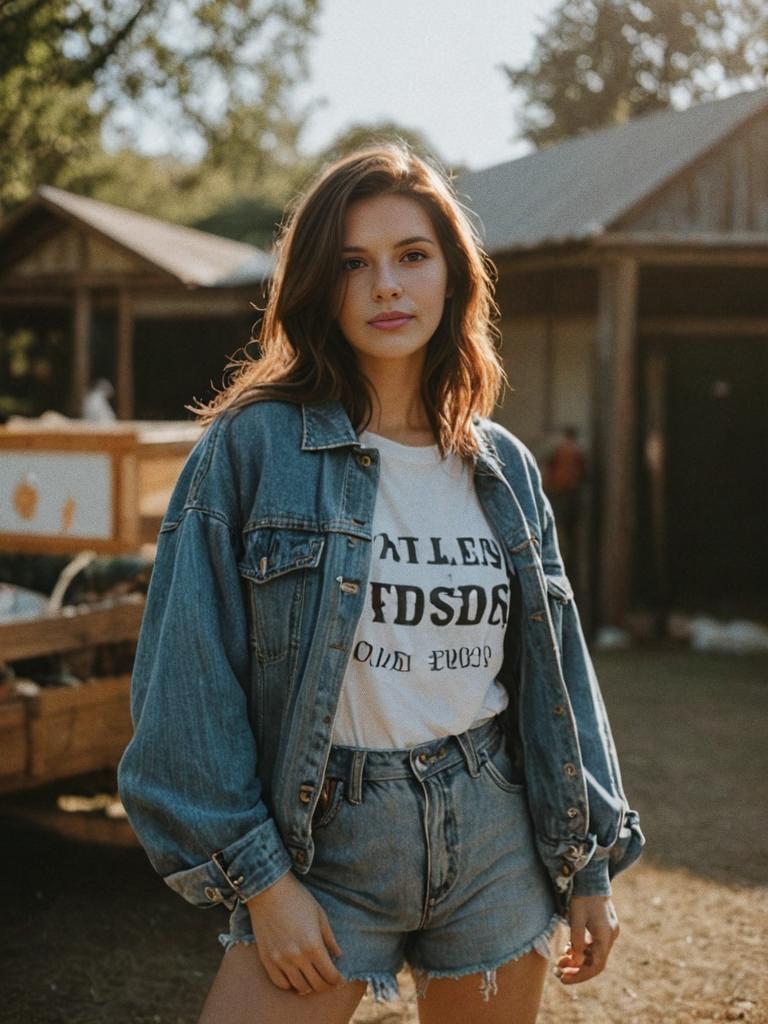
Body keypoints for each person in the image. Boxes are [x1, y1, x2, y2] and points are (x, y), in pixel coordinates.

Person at [118, 145, 643, 1024]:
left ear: (451, 275)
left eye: (412, 256)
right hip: (324, 837)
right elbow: (185, 681)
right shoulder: (252, 450)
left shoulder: (504, 467)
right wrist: (261, 884)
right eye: (353, 264)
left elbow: (561, 678)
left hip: (494, 833)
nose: (385, 287)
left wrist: (587, 866)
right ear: (319, 285)